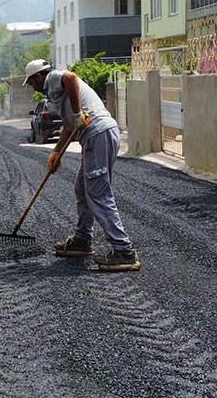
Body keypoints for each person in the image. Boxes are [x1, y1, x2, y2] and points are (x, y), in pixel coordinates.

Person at [23, 59, 139, 272]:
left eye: (31, 82)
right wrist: (56, 153)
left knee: (97, 193)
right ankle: (82, 240)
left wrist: (77, 113)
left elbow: (71, 77)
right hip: (95, 137)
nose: (32, 87)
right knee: (82, 189)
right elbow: (69, 126)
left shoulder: (55, 77)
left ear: (38, 76)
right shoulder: (55, 93)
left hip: (99, 134)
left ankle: (124, 251)